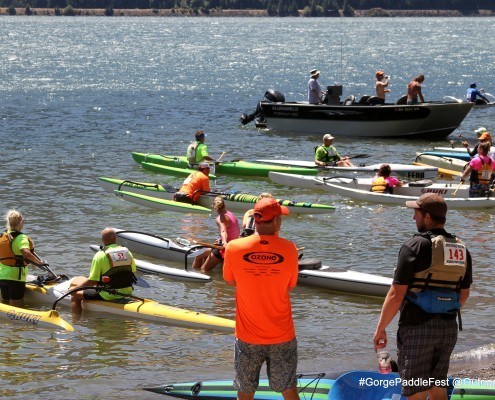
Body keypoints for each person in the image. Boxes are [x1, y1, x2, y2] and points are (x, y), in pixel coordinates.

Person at [373, 193, 472, 400]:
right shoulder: (462, 249)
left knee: (416, 391)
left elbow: (396, 293)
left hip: (417, 327)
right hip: (447, 328)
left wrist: (381, 329)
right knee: (438, 389)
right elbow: (464, 293)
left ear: (427, 216)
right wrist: (445, 309)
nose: (413, 218)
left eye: (416, 213)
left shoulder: (415, 245)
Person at [223, 197, 300, 400]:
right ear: (276, 222)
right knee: (288, 389)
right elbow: (291, 285)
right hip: (282, 335)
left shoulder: (233, 247)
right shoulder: (290, 248)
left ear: (255, 220)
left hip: (248, 337)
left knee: (245, 391)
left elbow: (230, 281)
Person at [70, 228, 137, 313]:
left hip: (108, 295)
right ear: (115, 238)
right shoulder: (127, 252)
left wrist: (75, 289)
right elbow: (132, 272)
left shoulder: (100, 255)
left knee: (75, 296)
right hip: (127, 291)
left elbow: (92, 280)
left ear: (102, 240)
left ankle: (76, 322)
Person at [0, 209, 44, 306]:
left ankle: (4, 321)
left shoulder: (2, 236)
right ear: (20, 221)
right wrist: (40, 263)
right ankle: (16, 321)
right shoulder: (21, 237)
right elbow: (26, 253)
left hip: (2, 275)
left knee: (5, 301)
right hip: (16, 276)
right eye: (23, 221)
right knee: (16, 303)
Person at [192, 196, 240, 272]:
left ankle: (197, 279)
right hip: (233, 244)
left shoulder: (220, 218)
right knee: (199, 255)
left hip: (223, 248)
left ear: (214, 207)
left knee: (204, 269)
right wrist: (220, 239)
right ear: (224, 205)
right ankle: (193, 273)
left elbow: (223, 231)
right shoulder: (231, 214)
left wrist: (224, 242)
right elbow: (235, 230)